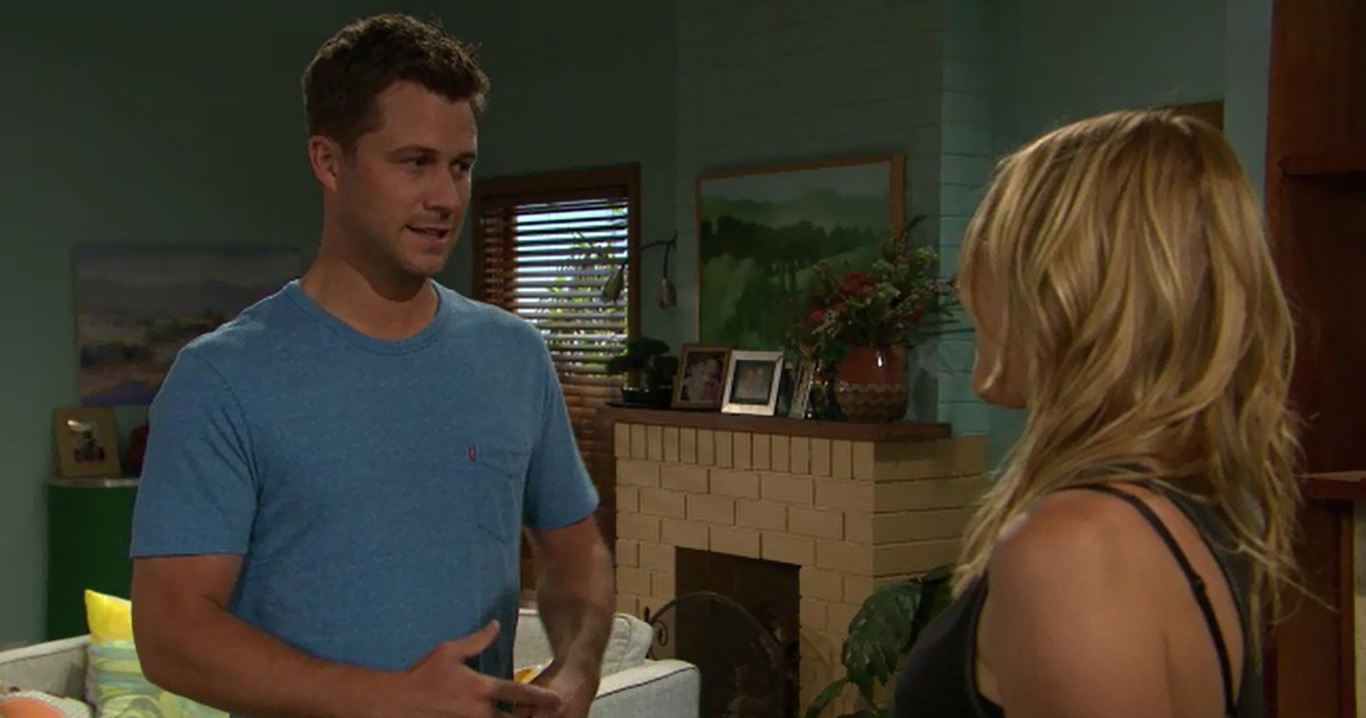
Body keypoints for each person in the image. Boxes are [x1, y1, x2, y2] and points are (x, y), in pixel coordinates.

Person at [128, 13, 615, 718]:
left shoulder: (512, 355)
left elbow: (576, 553)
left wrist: (577, 672)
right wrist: (389, 699)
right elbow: (171, 635)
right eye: (414, 162)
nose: (446, 197)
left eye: (460, 166)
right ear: (329, 162)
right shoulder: (223, 380)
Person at [893, 109, 1301, 717]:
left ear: (1067, 288)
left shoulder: (1076, 549)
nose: (964, 289)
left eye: (994, 257)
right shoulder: (1177, 512)